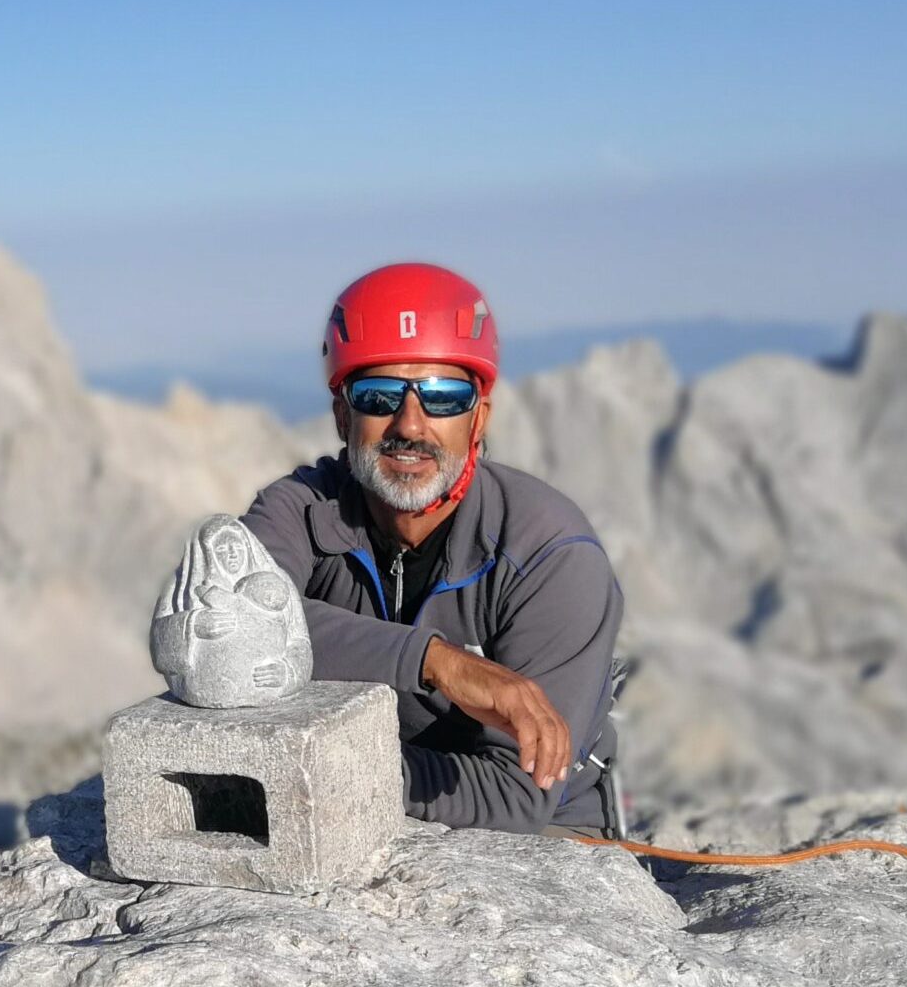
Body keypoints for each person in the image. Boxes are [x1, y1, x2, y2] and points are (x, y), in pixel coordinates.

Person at [238, 263, 626, 836]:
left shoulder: (549, 553)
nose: (411, 425)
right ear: (343, 414)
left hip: (538, 847)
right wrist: (435, 662)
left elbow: (519, 797)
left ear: (479, 419)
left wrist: (331, 767)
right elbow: (226, 621)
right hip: (333, 808)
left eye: (444, 396)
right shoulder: (300, 511)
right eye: (378, 395)